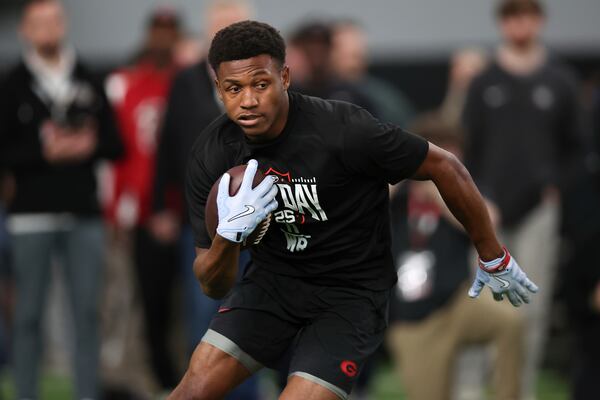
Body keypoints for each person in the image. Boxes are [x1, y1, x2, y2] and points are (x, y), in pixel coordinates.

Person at [169, 20, 537, 400]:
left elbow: (445, 166)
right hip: (272, 286)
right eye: (233, 89)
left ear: (285, 77)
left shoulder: (342, 128)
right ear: (219, 89)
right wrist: (229, 235)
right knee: (190, 393)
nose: (247, 100)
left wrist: (492, 253)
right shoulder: (213, 153)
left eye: (260, 84)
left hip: (348, 296)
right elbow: (212, 283)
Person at [0, 0, 123, 398]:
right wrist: (44, 153)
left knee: (87, 312)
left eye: (53, 21)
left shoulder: (87, 76)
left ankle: (87, 392)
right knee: (29, 313)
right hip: (30, 216)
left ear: (63, 24)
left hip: (82, 211)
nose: (47, 30)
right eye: (38, 23)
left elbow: (114, 143)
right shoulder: (12, 82)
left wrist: (87, 145)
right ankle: (25, 393)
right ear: (25, 30)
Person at [462, 1, 585, 397]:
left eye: (527, 15)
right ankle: (469, 390)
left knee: (532, 304)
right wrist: (481, 197)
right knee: (479, 303)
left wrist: (553, 186)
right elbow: (466, 148)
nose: (520, 24)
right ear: (502, 23)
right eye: (512, 16)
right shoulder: (483, 82)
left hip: (538, 211)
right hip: (486, 210)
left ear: (540, 21)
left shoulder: (560, 81)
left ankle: (517, 390)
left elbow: (577, 149)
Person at [386, 115, 524, 400]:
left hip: (458, 300)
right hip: (413, 320)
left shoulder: (462, 189)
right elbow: (360, 210)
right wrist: (399, 174)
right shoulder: (400, 195)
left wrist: (442, 190)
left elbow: (490, 220)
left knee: (509, 321)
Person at [103, 7, 182, 392]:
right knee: (142, 301)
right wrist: (118, 208)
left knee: (190, 301)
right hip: (143, 211)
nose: (163, 39)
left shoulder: (188, 82)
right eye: (158, 31)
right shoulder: (129, 84)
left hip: (186, 209)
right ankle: (148, 374)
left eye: (170, 32)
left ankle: (184, 374)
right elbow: (119, 155)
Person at [330, 19, 416, 127]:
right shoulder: (316, 92)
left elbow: (407, 130)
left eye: (355, 55)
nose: (352, 63)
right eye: (344, 54)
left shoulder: (383, 97)